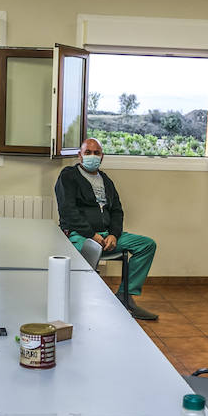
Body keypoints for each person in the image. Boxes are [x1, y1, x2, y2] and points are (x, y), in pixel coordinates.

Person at [54, 138, 159, 321]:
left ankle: (126, 296)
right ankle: (81, 304)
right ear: (80, 156)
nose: (92, 156)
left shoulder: (106, 181)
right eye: (88, 153)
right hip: (79, 235)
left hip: (105, 235)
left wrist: (114, 235)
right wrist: (91, 234)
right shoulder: (68, 176)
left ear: (102, 157)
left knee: (147, 245)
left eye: (96, 153)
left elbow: (117, 211)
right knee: (88, 252)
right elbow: (68, 211)